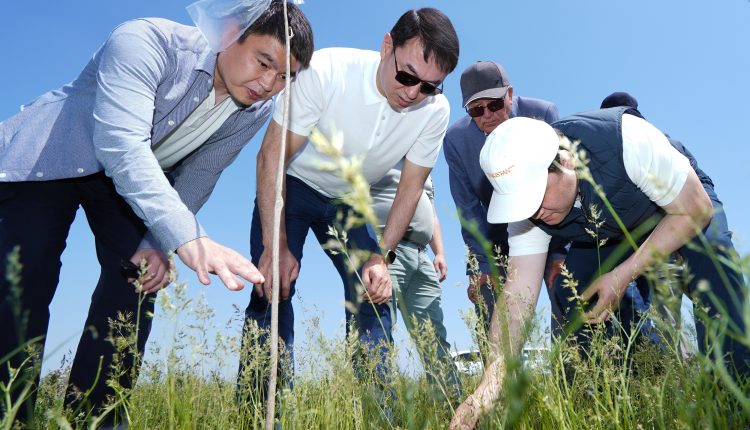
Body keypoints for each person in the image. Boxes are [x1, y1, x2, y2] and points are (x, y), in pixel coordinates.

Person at [0, 0, 314, 425]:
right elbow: (120, 145)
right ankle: (9, 414)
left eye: (284, 77)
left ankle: (95, 418)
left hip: (129, 186)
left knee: (137, 281)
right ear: (230, 33)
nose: (269, 84)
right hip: (52, 157)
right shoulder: (146, 40)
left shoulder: (254, 109)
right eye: (264, 62)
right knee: (26, 274)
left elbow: (201, 172)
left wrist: (157, 243)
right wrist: (186, 236)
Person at [450, 110, 749, 429]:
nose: (534, 212)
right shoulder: (531, 213)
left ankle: (733, 406)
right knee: (574, 292)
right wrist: (490, 381)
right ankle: (621, 401)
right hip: (607, 229)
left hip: (677, 204)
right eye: (523, 204)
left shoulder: (628, 142)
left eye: (536, 197)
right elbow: (517, 297)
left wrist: (623, 274)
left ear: (564, 162)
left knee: (715, 273)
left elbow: (696, 209)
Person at [241, 7, 459, 401]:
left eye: (429, 87)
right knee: (273, 288)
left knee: (374, 295)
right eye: (407, 75)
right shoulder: (327, 71)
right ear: (386, 46)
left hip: (348, 202)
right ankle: (260, 412)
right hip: (292, 185)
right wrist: (277, 246)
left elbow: (410, 189)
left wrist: (382, 258)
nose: (412, 93)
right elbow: (270, 156)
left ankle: (383, 415)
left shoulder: (435, 113)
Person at [442, 61, 565, 341]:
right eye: (476, 110)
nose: (487, 116)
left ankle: (574, 378)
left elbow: (563, 181)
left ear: (509, 93)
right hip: (496, 234)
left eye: (494, 105)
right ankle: (502, 379)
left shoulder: (543, 114)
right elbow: (468, 208)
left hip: (548, 221)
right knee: (488, 302)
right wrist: (483, 265)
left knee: (567, 294)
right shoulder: (456, 140)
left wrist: (559, 253)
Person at [370, 163, 460, 397]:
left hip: (421, 255)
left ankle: (451, 407)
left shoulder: (423, 162)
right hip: (386, 253)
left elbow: (431, 210)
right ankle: (382, 414)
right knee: (379, 333)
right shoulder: (379, 149)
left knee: (434, 336)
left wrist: (439, 252)